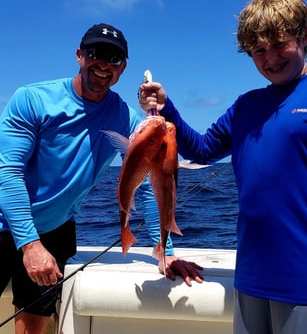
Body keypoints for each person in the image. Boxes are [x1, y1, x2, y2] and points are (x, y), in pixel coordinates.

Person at [139, 0, 307, 333]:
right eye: (258, 50)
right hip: (251, 277)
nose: (269, 58)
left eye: (279, 43)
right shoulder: (245, 106)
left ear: (304, 35)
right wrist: (167, 109)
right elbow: (203, 149)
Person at [0, 23, 203, 334]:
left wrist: (166, 251)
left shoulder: (124, 118)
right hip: (5, 222)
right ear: (80, 55)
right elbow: (7, 171)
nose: (104, 64)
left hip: (55, 229)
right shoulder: (33, 100)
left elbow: (148, 186)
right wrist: (29, 244)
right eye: (96, 53)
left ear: (123, 67)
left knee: (34, 324)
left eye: (114, 58)